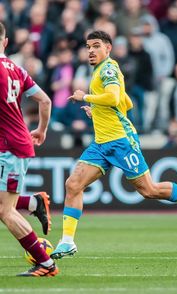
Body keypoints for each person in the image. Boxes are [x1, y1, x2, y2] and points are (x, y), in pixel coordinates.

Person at [51, 30, 177, 260]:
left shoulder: (109, 69)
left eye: (96, 46)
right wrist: (99, 113)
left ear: (108, 48)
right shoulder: (100, 71)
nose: (90, 50)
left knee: (149, 190)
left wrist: (86, 97)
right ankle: (67, 241)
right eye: (88, 46)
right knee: (73, 184)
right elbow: (126, 102)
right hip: (101, 142)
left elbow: (113, 97)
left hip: (121, 141)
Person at [0, 22, 58, 277]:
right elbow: (44, 100)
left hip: (9, 147)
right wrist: (41, 130)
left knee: (5, 211)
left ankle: (45, 263)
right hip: (17, 141)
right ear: (5, 41)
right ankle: (34, 203)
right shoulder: (16, 68)